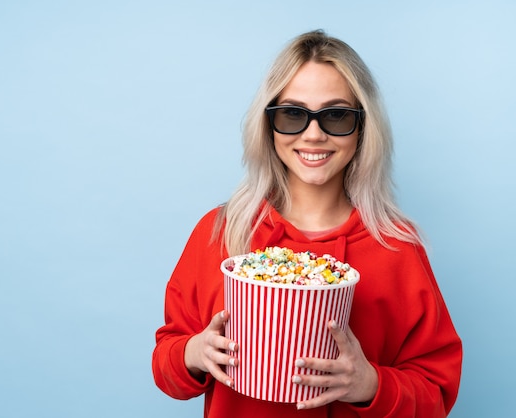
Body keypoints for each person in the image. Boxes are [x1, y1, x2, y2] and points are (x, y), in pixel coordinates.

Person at [152, 29, 462, 417]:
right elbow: (166, 366)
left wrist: (369, 386)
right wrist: (193, 353)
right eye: (293, 114)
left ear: (363, 128)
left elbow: (435, 393)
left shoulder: (396, 246)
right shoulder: (221, 232)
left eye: (336, 115)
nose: (313, 135)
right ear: (268, 125)